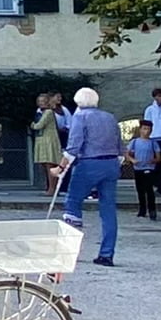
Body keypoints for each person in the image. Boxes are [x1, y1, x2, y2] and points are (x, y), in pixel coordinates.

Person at [59, 87, 121, 266]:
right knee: (108, 209)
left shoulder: (80, 117)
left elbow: (74, 145)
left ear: (78, 102)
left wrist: (61, 166)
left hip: (89, 163)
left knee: (73, 202)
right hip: (110, 163)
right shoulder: (109, 117)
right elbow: (119, 144)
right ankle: (107, 254)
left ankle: (69, 251)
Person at [29, 92, 66, 197]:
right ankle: (49, 187)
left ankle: (52, 188)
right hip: (41, 140)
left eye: (43, 101)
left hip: (48, 141)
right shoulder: (40, 112)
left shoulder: (49, 112)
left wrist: (32, 124)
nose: (41, 103)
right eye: (39, 101)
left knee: (50, 164)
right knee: (44, 165)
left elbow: (38, 125)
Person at [126, 120, 161, 220]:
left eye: (149, 129)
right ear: (140, 129)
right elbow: (126, 153)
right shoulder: (135, 142)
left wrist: (153, 160)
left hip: (149, 168)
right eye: (145, 129)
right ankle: (142, 210)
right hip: (138, 169)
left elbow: (158, 157)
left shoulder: (153, 143)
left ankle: (152, 210)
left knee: (149, 189)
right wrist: (132, 160)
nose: (147, 131)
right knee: (140, 190)